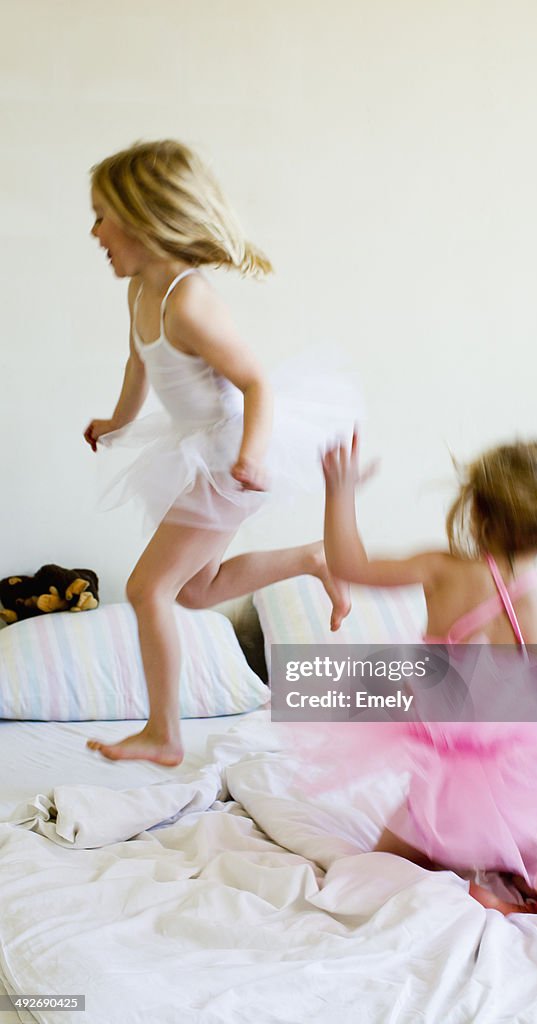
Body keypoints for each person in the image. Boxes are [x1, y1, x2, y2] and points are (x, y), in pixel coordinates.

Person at [321, 434, 537, 931]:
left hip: (447, 773)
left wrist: (340, 490)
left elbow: (347, 565)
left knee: (387, 856)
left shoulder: (442, 569)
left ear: (476, 511)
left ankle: (472, 885)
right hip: (524, 774)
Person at [84, 140, 354, 766]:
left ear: (143, 215)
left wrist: (252, 457)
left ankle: (163, 734)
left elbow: (256, 382)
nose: (94, 231)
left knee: (148, 588)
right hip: (198, 450)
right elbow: (138, 366)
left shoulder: (188, 301)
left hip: (229, 451)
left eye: (102, 215)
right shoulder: (140, 294)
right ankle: (313, 558)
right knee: (195, 593)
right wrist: (116, 422)